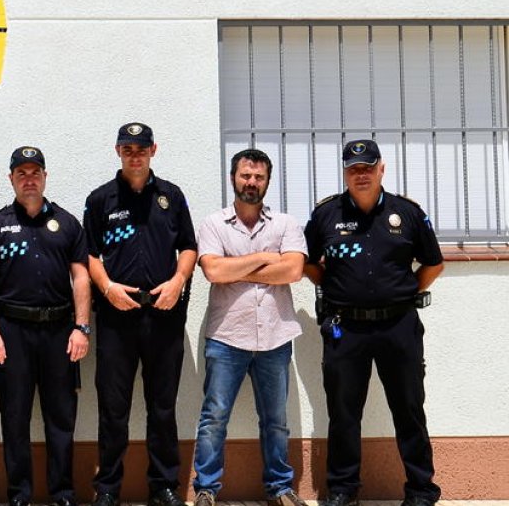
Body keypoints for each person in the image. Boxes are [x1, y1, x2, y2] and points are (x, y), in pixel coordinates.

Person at [305, 139, 444, 506]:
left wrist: (403, 293)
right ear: (345, 172)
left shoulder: (408, 213)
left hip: (399, 327)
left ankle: (421, 489)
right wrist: (334, 286)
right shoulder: (325, 215)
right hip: (345, 328)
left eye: (368, 167)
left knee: (409, 408)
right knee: (344, 412)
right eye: (353, 169)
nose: (361, 174)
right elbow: (307, 263)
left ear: (381, 168)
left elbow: (434, 262)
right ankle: (343, 490)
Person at [84, 123, 197, 506]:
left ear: (154, 150)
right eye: (128, 148)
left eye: (142, 148)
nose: (136, 155)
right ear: (118, 150)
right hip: (117, 318)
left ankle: (163, 486)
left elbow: (188, 246)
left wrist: (178, 281)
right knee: (113, 409)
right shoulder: (101, 199)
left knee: (162, 407)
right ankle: (108, 487)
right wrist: (108, 288)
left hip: (164, 315)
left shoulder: (171, 196)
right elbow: (88, 256)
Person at [190, 149, 308, 506]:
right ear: (233, 178)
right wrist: (263, 258)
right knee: (214, 417)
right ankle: (207, 489)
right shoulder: (214, 224)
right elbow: (213, 271)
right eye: (245, 176)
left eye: (258, 177)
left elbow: (292, 271)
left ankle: (280, 488)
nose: (251, 183)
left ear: (267, 182)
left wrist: (236, 267)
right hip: (227, 337)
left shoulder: (285, 224)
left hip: (275, 335)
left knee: (276, 420)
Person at [0, 145, 91, 506]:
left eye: (35, 172)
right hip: (12, 332)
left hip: (60, 331)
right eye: (21, 173)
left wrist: (81, 327)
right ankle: (19, 495)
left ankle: (63, 494)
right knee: (15, 418)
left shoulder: (69, 223)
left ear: (45, 176)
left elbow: (82, 278)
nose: (29, 179)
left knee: (61, 419)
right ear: (11, 178)